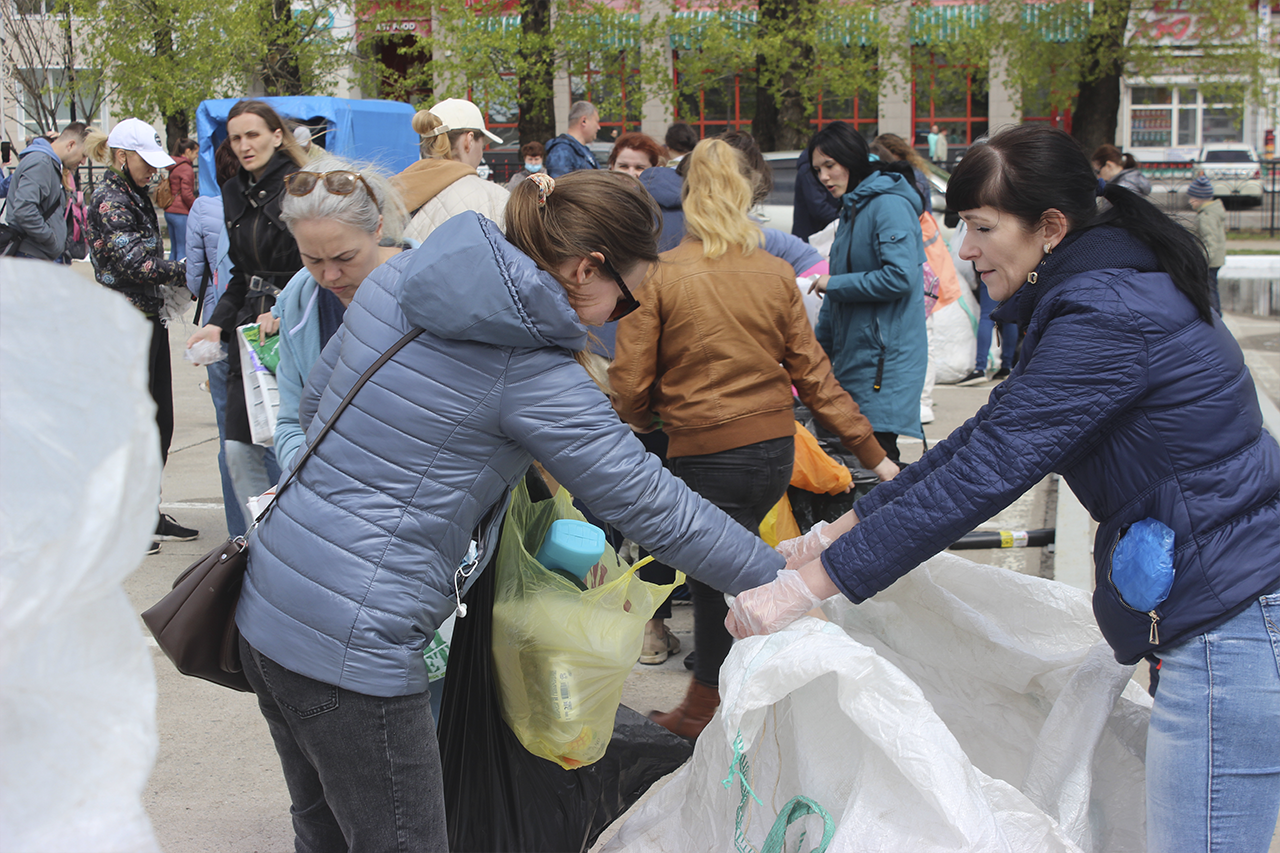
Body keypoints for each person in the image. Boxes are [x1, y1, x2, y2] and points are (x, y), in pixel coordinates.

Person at [727, 124, 1280, 853]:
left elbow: (985, 474)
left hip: (1232, 622)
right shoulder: (1104, 291)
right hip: (1220, 608)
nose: (965, 250)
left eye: (983, 228)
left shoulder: (1107, 314)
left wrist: (812, 585)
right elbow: (977, 447)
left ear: (1051, 228)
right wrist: (833, 536)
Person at [236, 170, 790, 850]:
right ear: (587, 269)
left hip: (269, 600)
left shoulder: (393, 282)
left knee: (323, 830)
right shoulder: (530, 367)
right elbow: (654, 504)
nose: (623, 314)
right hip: (354, 641)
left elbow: (320, 413)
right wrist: (781, 576)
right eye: (626, 299)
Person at [610, 139, 898, 739]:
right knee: (737, 574)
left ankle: (710, 704)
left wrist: (643, 420)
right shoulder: (774, 273)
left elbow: (631, 381)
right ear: (746, 194)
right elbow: (815, 378)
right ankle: (747, 696)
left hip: (703, 452)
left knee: (715, 581)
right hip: (772, 450)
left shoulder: (661, 277)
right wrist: (875, 456)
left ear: (687, 197)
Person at [186, 99, 308, 525]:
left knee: (291, 444)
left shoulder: (302, 185)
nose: (243, 145)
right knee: (237, 448)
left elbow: (317, 263)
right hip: (249, 336)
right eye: (236, 137)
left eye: (253, 134)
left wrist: (282, 306)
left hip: (297, 326)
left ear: (277, 136)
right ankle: (260, 542)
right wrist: (215, 325)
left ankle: (301, 536)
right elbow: (240, 273)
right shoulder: (233, 191)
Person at [83, 118, 199, 552]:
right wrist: (189, 269)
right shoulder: (111, 200)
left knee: (159, 421)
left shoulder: (133, 194)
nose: (154, 171)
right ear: (121, 156)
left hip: (145, 318)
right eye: (146, 163)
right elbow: (136, 262)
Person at [272, 155, 409, 473]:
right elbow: (292, 423)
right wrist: (303, 475)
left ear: (377, 228)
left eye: (345, 257)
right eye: (312, 259)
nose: (329, 275)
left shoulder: (430, 288)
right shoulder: (298, 300)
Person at [807, 121, 927, 464]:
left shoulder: (888, 205)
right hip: (853, 358)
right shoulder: (852, 208)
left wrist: (835, 285)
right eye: (818, 170)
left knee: (877, 464)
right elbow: (836, 290)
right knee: (853, 466)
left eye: (830, 165)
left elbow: (900, 277)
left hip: (883, 363)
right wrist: (816, 356)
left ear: (852, 159)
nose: (824, 177)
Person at [185, 139, 243, 537]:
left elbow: (194, 277)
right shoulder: (271, 206)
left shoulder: (203, 208)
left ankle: (237, 534)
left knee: (230, 436)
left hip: (213, 326)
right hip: (259, 328)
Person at [392, 98, 507, 243]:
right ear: (469, 141)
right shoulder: (495, 198)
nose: (481, 153)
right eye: (482, 145)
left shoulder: (394, 191)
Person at [5, 121, 88, 261]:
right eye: (84, 154)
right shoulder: (41, 162)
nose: (83, 162)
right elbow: (24, 210)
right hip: (32, 255)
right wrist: (52, 240)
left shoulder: (47, 162)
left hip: (35, 253)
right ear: (71, 145)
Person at [1188, 175, 1225, 313]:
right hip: (1213, 259)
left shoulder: (1206, 217)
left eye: (1191, 198)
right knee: (1210, 288)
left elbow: (1210, 241)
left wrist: (1203, 261)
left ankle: (1215, 315)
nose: (1189, 201)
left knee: (1209, 290)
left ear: (1198, 198)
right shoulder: (1211, 212)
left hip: (1209, 261)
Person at [791, 146, 840, 241]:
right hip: (813, 236)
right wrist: (843, 218)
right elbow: (818, 206)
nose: (824, 177)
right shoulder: (808, 170)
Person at [544, 101, 600, 177]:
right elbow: (561, 185)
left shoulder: (584, 151)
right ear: (584, 121)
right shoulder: (562, 151)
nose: (598, 127)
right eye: (596, 121)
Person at [163, 137, 198, 261]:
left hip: (169, 210)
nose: (196, 157)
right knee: (183, 249)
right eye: (195, 153)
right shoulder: (186, 168)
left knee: (174, 249)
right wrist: (196, 207)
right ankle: (181, 279)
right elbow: (186, 193)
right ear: (188, 151)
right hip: (181, 212)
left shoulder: (175, 165)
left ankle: (171, 277)